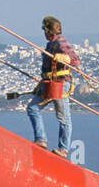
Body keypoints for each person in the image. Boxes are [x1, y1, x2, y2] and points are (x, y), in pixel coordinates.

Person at [21, 17, 80, 156]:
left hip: (60, 84)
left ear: (48, 31)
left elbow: (76, 60)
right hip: (48, 83)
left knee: (64, 118)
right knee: (33, 108)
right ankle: (41, 139)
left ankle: (63, 149)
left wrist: (65, 58)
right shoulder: (51, 44)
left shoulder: (61, 42)